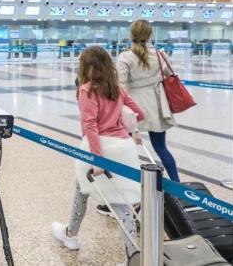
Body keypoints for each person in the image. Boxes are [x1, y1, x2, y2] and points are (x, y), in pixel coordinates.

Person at [51, 46, 145, 264]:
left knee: (80, 191)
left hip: (99, 148)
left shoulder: (87, 90)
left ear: (86, 66)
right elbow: (140, 113)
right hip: (123, 148)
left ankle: (70, 235)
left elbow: (90, 125)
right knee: (122, 204)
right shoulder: (118, 89)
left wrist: (97, 159)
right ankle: (133, 256)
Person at [117, 19, 179, 182]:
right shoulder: (160, 55)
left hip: (133, 108)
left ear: (131, 34)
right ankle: (177, 185)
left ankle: (129, 184)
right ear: (150, 34)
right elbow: (170, 74)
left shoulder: (126, 56)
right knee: (161, 148)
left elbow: (120, 86)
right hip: (157, 106)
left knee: (128, 149)